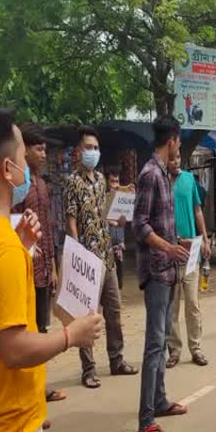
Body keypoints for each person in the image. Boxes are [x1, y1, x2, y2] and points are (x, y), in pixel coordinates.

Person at [0, 108, 101, 432]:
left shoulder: (4, 242)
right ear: (8, 169)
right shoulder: (0, 246)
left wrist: (22, 247)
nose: (29, 164)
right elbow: (15, 348)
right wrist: (73, 335)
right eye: (23, 156)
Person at [64, 125, 137, 388]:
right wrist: (76, 254)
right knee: (88, 316)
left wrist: (119, 217)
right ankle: (89, 369)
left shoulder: (100, 180)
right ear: (78, 151)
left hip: (106, 257)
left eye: (95, 148)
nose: (92, 152)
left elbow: (106, 215)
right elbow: (71, 220)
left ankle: (116, 361)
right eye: (88, 148)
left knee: (114, 311)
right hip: (86, 261)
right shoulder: (72, 182)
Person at [133, 115, 191, 432]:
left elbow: (161, 223)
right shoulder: (150, 174)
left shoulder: (165, 175)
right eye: (179, 141)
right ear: (171, 140)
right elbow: (139, 225)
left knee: (163, 339)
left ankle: (159, 400)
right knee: (154, 345)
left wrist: (178, 241)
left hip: (168, 269)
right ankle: (145, 420)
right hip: (156, 271)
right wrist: (168, 247)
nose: (179, 146)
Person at [14, 124, 68, 416]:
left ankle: (40, 389)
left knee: (42, 328)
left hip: (44, 269)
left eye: (45, 148)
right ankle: (29, 398)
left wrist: (54, 266)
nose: (44, 153)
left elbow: (48, 228)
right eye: (39, 148)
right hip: (23, 266)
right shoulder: (18, 185)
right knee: (27, 332)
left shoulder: (44, 185)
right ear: (26, 150)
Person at [166, 146, 211, 368]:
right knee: (172, 306)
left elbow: (197, 210)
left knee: (193, 303)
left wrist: (204, 238)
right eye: (172, 159)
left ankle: (196, 348)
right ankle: (174, 351)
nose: (176, 162)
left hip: (191, 252)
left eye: (178, 158)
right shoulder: (161, 182)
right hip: (169, 252)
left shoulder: (188, 180)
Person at [106, 168, 129, 290]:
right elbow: (100, 218)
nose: (116, 185)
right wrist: (113, 222)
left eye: (117, 181)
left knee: (119, 281)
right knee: (109, 280)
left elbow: (125, 221)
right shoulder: (103, 199)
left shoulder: (122, 200)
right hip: (106, 247)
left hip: (119, 246)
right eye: (113, 181)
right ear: (107, 182)